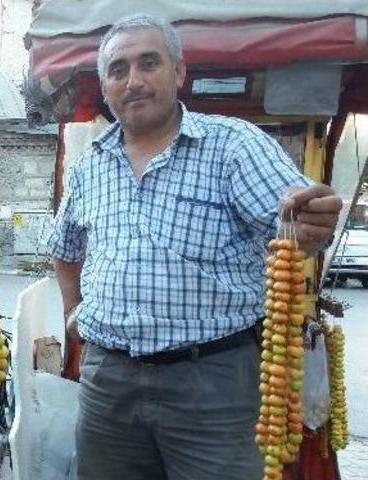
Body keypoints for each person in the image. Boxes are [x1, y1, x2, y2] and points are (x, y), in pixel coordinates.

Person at [46, 13, 343, 480]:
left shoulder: (233, 146)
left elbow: (298, 221)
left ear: (179, 72)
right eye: (118, 70)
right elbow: (64, 247)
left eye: (149, 63)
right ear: (104, 86)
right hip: (108, 381)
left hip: (213, 381)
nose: (134, 81)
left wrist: (314, 220)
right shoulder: (90, 165)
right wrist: (73, 312)